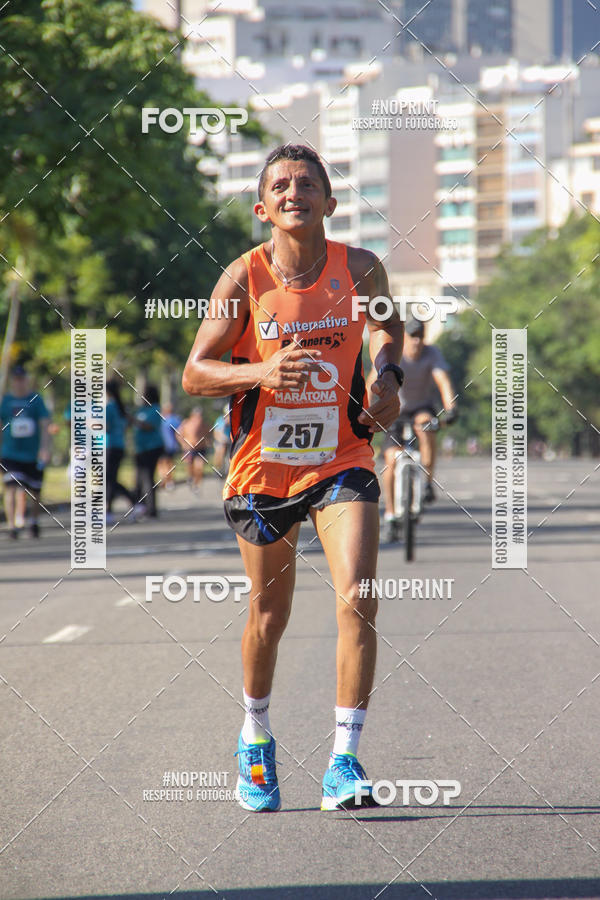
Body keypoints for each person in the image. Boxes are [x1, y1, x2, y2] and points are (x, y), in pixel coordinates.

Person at [182, 143, 403, 812]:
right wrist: (260, 372)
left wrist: (386, 375)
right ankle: (255, 735)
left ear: (330, 204)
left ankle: (344, 760)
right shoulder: (242, 279)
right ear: (261, 207)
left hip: (342, 457)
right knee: (269, 613)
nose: (293, 192)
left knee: (359, 593)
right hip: (262, 468)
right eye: (280, 184)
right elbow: (196, 374)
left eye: (307, 184)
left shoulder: (361, 269)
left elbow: (389, 333)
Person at [379, 317, 457, 543]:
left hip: (422, 408)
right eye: (412, 337)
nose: (416, 342)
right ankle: (391, 515)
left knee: (427, 425)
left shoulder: (432, 354)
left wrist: (450, 407)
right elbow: (374, 379)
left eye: (420, 337)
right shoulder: (395, 354)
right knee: (391, 460)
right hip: (397, 410)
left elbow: (443, 380)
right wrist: (362, 405)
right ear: (404, 338)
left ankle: (427, 484)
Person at [0, 364, 50, 539]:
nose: (19, 383)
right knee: (11, 487)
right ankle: (12, 526)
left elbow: (45, 425)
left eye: (22, 379)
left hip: (32, 454)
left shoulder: (36, 400)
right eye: (16, 380)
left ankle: (34, 521)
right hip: (10, 454)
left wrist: (44, 448)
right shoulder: (5, 401)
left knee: (35, 491)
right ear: (12, 381)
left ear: (26, 380)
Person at [105, 379, 136, 523]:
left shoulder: (109, 407)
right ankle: (134, 501)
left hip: (109, 446)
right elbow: (126, 426)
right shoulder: (121, 407)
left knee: (108, 480)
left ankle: (108, 510)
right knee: (110, 479)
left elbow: (105, 427)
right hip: (119, 445)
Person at [133, 385, 164, 518]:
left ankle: (151, 509)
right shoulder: (141, 410)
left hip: (152, 447)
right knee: (139, 479)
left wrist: (133, 420)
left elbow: (149, 426)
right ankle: (141, 506)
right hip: (140, 448)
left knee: (148, 478)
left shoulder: (156, 409)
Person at [177, 406, 211, 489]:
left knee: (199, 467)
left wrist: (208, 441)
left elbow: (209, 433)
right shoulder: (186, 423)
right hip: (189, 449)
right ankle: (191, 478)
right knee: (190, 466)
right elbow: (179, 434)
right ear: (192, 415)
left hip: (201, 448)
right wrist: (183, 444)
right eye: (197, 415)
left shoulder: (204, 424)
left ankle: (197, 483)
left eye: (200, 415)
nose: (199, 417)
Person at [158, 403, 182, 490]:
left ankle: (165, 480)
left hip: (162, 445)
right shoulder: (175, 420)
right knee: (168, 463)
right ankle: (168, 481)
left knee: (162, 463)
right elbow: (180, 433)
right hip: (171, 445)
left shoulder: (161, 420)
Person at [211, 403, 231, 474]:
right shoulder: (220, 420)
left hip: (231, 440)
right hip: (221, 440)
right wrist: (222, 440)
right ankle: (218, 467)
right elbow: (216, 432)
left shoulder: (234, 419)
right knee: (221, 449)